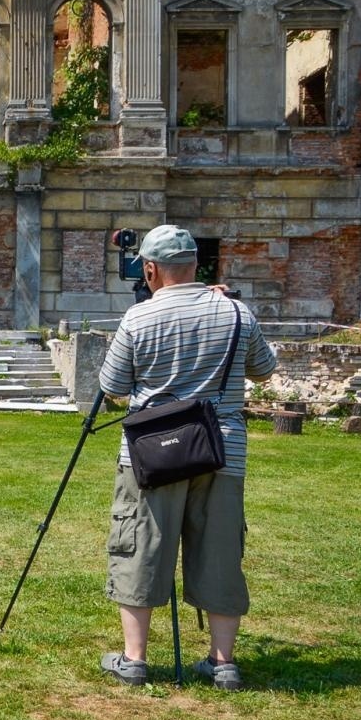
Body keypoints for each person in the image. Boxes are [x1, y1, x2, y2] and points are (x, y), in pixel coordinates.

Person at [97, 225, 278, 691]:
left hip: (150, 454)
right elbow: (265, 368)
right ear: (198, 265)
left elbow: (113, 387)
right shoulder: (237, 313)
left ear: (151, 269)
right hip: (221, 450)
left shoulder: (138, 318)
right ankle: (223, 663)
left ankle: (134, 659)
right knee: (219, 551)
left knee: (140, 545)